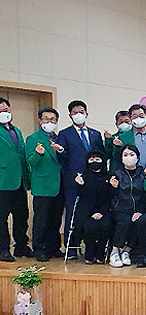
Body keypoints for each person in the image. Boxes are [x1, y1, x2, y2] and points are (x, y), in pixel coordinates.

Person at [56, 100, 104, 258]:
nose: (79, 115)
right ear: (70, 115)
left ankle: (92, 246)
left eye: (81, 112)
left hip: (92, 181)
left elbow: (102, 156)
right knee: (72, 213)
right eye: (75, 112)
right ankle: (71, 248)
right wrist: (60, 150)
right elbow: (62, 157)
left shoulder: (95, 134)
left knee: (93, 211)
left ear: (86, 114)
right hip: (73, 181)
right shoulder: (64, 134)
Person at [25, 107, 64, 261]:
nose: (50, 122)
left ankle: (53, 247)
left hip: (59, 184)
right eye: (46, 119)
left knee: (56, 218)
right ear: (40, 120)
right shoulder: (33, 138)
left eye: (53, 119)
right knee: (41, 219)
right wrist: (38, 153)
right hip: (42, 185)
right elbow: (30, 161)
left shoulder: (59, 138)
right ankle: (39, 248)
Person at [108, 144, 146, 268]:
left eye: (132, 155)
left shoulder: (143, 173)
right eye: (125, 155)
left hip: (138, 208)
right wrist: (114, 187)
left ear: (137, 157)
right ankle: (115, 251)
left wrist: (140, 211)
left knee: (139, 221)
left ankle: (127, 250)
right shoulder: (117, 174)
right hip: (120, 208)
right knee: (124, 222)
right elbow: (110, 196)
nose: (129, 158)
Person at [72, 151, 113, 264]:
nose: (94, 162)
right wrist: (80, 185)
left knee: (106, 225)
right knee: (90, 227)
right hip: (86, 213)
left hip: (104, 212)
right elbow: (81, 197)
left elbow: (110, 198)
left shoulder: (108, 177)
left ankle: (100, 253)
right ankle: (89, 254)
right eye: (91, 159)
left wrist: (101, 212)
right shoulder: (82, 177)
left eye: (97, 159)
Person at [112, 104, 146, 168]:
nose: (138, 118)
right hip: (133, 172)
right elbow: (117, 158)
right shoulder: (123, 137)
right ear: (131, 118)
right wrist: (117, 147)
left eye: (141, 115)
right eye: (135, 116)